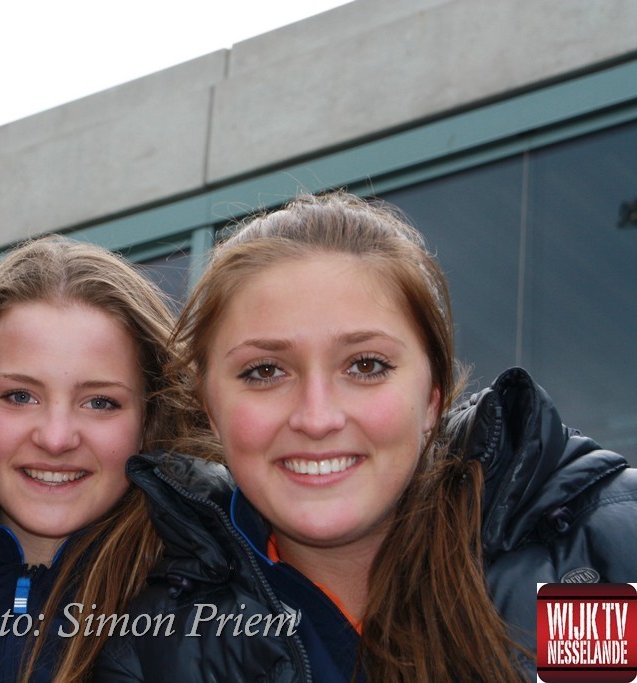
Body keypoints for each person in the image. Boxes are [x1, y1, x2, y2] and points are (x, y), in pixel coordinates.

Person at [95, 192, 637, 682]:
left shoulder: (605, 555)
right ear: (210, 409)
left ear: (433, 397)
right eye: (265, 371)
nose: (317, 418)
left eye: (366, 365)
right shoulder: (149, 655)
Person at [0, 235, 206, 682]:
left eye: (100, 402)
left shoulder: (213, 607)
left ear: (150, 417)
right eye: (20, 396)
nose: (56, 438)